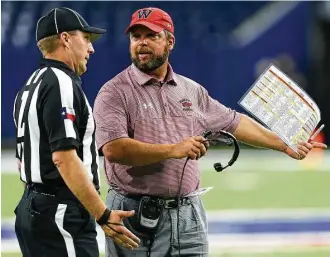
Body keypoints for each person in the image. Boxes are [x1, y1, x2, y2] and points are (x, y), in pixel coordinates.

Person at [93, 7, 327, 257]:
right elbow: (114, 149)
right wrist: (174, 150)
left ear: (170, 41)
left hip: (186, 214)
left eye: (151, 36)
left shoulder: (190, 90)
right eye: (136, 36)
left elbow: (234, 122)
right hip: (132, 215)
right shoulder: (114, 92)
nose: (142, 43)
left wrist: (283, 144)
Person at [13, 7, 140, 257]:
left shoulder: (31, 84)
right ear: (66, 39)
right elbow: (64, 158)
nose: (91, 49)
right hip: (59, 211)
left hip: (35, 206)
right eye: (86, 39)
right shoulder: (60, 83)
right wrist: (102, 214)